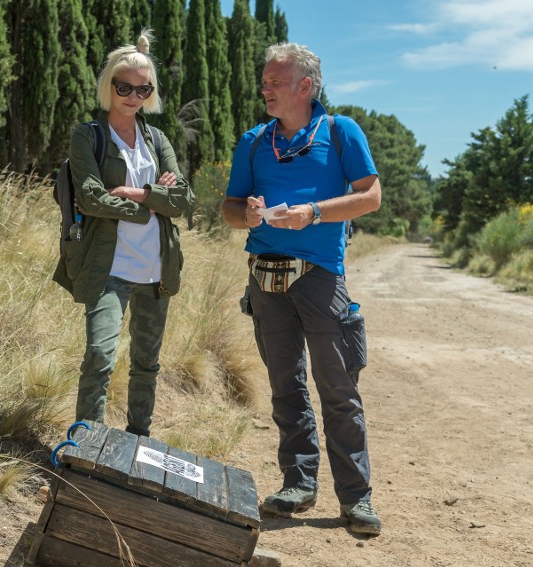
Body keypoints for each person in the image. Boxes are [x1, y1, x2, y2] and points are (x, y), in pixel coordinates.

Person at [221, 42, 382, 536]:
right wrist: (244, 214)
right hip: (263, 279)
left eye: (274, 80)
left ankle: (356, 500)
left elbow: (370, 196)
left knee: (337, 389)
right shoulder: (253, 140)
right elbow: (228, 209)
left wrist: (312, 213)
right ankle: (299, 484)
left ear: (305, 86)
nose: (264, 88)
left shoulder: (340, 131)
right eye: (265, 80)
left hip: (319, 278)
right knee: (285, 387)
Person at [53, 30, 193, 438]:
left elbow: (182, 199)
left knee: (147, 363)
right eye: (124, 86)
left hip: (156, 268)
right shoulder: (88, 136)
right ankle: (86, 443)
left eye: (142, 88)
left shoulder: (158, 139)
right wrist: (153, 202)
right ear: (109, 85)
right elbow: (92, 199)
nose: (133, 95)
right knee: (100, 355)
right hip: (107, 265)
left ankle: (137, 440)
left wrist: (138, 193)